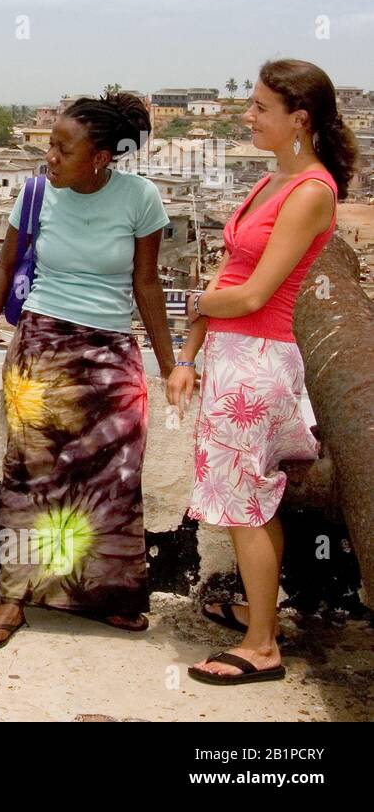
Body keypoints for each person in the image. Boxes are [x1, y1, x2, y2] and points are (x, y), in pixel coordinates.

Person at [0, 92, 175, 649]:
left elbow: (146, 284)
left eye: (62, 147)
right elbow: (3, 269)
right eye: (50, 144)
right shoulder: (34, 194)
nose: (49, 156)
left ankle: (109, 594)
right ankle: (12, 598)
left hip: (111, 355)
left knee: (114, 479)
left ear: (100, 156)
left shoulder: (141, 199)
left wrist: (174, 365)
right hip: (42, 346)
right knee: (30, 476)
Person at [171, 59, 349, 685]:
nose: (247, 116)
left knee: (247, 505)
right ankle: (260, 620)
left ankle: (261, 645)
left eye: (259, 108)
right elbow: (228, 278)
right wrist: (190, 351)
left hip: (258, 361)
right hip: (231, 357)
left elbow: (249, 295)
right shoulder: (272, 183)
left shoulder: (310, 192)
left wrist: (195, 305)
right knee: (252, 503)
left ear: (298, 120)